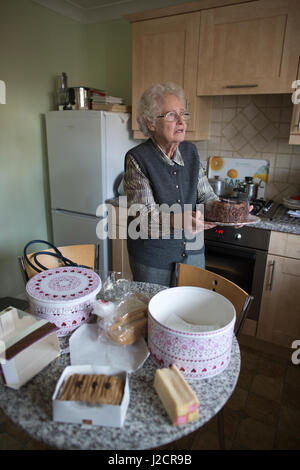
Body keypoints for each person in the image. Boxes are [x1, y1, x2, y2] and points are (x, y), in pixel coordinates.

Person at [123, 82, 218, 287]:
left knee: (191, 312)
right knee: (154, 315)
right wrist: (180, 220)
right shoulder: (137, 159)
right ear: (151, 123)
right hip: (153, 259)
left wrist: (229, 212)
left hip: (193, 253)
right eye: (171, 116)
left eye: (183, 114)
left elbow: (207, 197)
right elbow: (144, 218)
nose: (182, 122)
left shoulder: (191, 152)